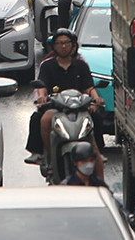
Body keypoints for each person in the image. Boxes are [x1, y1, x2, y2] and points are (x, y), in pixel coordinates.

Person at [24, 29, 97, 166]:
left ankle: (96, 152)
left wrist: (96, 99)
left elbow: (89, 87)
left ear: (73, 45)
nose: (63, 46)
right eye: (60, 43)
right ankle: (49, 158)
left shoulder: (81, 65)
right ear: (54, 46)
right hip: (55, 107)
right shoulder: (47, 65)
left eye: (66, 43)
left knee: (95, 117)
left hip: (78, 107)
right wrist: (42, 97)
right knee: (43, 119)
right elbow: (42, 86)